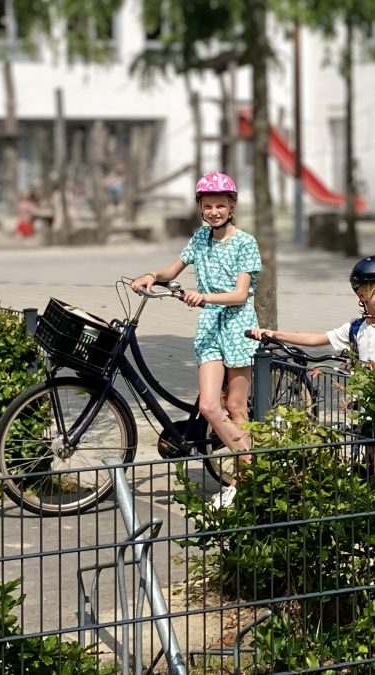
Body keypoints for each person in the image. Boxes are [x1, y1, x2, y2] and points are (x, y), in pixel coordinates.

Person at [130, 171, 261, 509]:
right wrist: (151, 275)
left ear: (232, 206)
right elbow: (172, 271)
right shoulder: (200, 238)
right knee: (208, 405)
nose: (214, 211)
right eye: (208, 206)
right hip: (209, 329)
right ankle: (251, 468)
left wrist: (204, 297)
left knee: (236, 407)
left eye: (220, 205)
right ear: (200, 207)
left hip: (237, 326)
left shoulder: (245, 242)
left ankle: (244, 481)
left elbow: (240, 294)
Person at [251, 255, 375, 474]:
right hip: (368, 407)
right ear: (361, 294)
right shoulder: (355, 328)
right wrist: (273, 333)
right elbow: (316, 338)